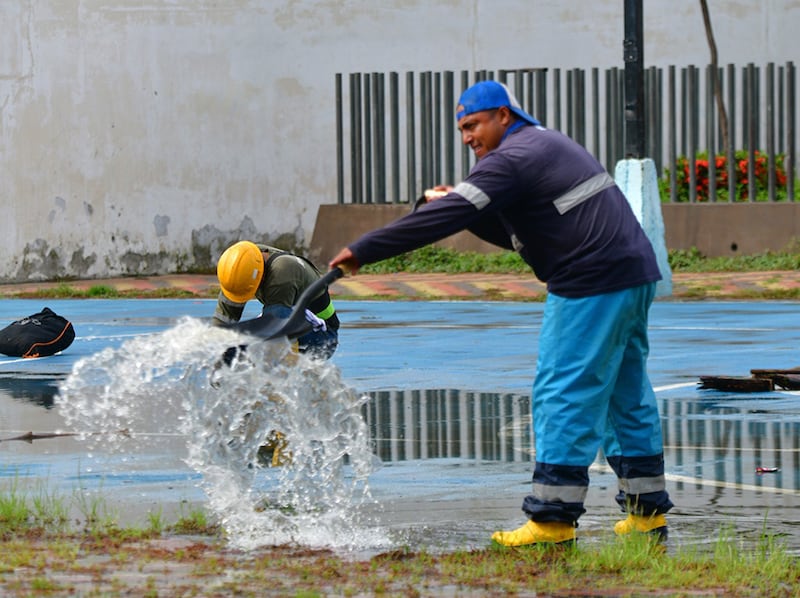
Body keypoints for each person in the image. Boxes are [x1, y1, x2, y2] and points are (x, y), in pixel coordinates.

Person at [329, 80, 673, 546]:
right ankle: (646, 513)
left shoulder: (511, 158)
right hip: (632, 273)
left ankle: (551, 520)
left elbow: (444, 219)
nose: (468, 137)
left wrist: (362, 249)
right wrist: (461, 206)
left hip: (592, 281)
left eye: (473, 125)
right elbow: (516, 227)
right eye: (462, 129)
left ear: (503, 116)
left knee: (563, 392)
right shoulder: (542, 146)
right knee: (624, 394)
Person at [214, 240, 339, 360]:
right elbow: (222, 324)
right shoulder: (244, 263)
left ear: (260, 277)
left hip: (323, 339)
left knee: (262, 339)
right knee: (234, 348)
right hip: (290, 320)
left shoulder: (281, 275)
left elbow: (277, 330)